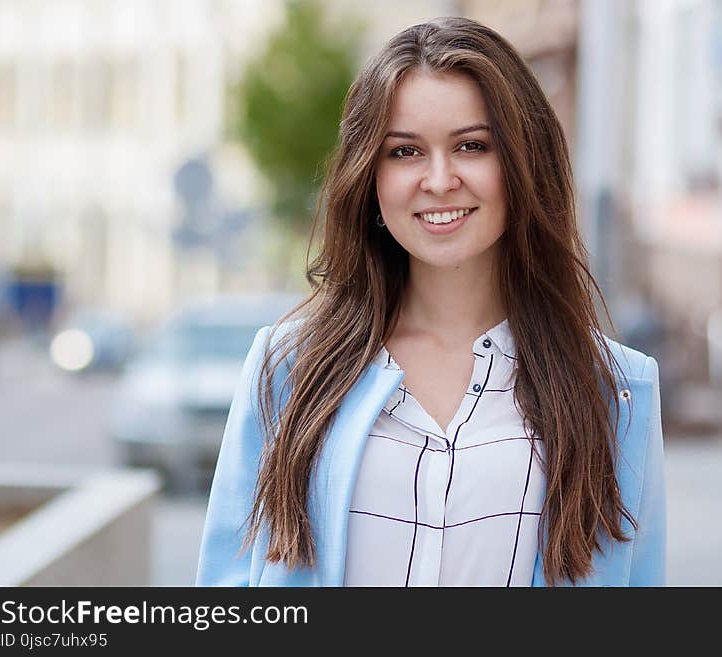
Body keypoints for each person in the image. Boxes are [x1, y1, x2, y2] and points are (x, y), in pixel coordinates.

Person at [196, 16, 665, 587]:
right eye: (405, 152)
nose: (440, 180)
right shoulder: (288, 369)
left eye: (472, 146)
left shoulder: (613, 389)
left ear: (523, 165)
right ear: (368, 175)